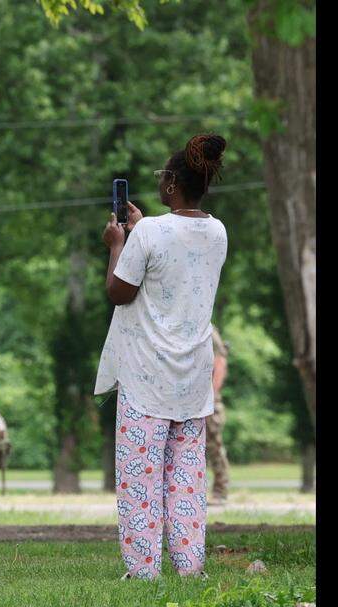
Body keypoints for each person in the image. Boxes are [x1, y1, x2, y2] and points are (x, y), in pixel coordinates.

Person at [95, 133, 229, 580]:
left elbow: (120, 291)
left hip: (147, 376)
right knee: (186, 478)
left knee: (141, 477)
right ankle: (191, 566)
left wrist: (118, 243)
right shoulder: (217, 231)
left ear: (171, 183)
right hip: (192, 377)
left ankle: (144, 570)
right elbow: (175, 263)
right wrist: (140, 231)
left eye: (161, 177)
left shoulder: (149, 231)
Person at [207, 325, 231, 504]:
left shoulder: (208, 328)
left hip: (209, 401)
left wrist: (212, 395)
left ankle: (220, 491)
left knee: (214, 446)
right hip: (195, 400)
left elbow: (220, 361)